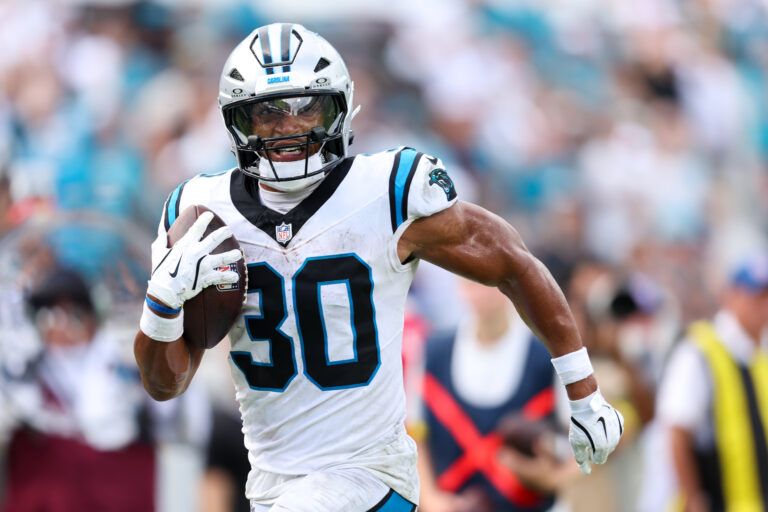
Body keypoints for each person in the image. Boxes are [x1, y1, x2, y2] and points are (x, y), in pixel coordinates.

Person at [133, 23, 624, 512]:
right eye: (267, 114)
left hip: (371, 476)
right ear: (237, 122)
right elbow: (163, 383)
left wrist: (583, 391)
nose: (289, 128)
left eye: (307, 109)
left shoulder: (385, 192)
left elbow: (513, 263)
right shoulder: (200, 213)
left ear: (340, 107)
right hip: (275, 484)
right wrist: (162, 304)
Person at [0, 264, 206, 512]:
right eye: (49, 315)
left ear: (92, 317)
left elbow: (187, 426)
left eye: (73, 315)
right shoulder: (21, 373)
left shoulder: (128, 369)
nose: (60, 326)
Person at [415, 278, 576, 512]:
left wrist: (551, 477)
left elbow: (578, 441)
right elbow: (415, 432)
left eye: (489, 281)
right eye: (471, 281)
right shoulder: (433, 351)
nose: (481, 292)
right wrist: (430, 498)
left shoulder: (548, 354)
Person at [657, 254, 768, 512]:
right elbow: (677, 431)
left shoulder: (760, 352)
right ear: (732, 296)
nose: (764, 306)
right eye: (758, 296)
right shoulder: (699, 351)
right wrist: (693, 497)